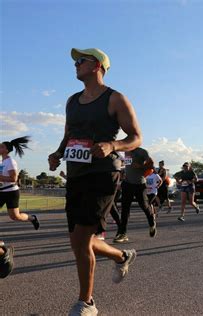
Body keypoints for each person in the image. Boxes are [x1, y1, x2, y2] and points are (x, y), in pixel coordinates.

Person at [48, 48, 139, 316]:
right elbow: (69, 135)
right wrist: (57, 154)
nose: (76, 65)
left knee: (80, 239)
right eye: (75, 61)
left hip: (103, 175)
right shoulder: (72, 101)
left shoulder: (115, 99)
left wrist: (113, 145)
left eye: (81, 61)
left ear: (97, 65)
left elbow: (136, 136)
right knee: (79, 241)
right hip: (76, 175)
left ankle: (86, 303)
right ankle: (122, 256)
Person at [0, 136, 39, 279]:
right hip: (2, 192)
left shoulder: (10, 161)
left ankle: (32, 218)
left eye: (1, 146)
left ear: (6, 149)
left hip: (11, 192)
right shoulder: (2, 161)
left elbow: (13, 179)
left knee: (14, 216)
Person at [114, 147, 157, 243]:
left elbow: (152, 165)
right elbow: (125, 162)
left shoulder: (142, 152)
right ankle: (122, 233)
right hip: (127, 183)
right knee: (125, 209)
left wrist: (140, 166)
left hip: (139, 184)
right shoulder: (126, 151)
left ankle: (152, 222)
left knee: (144, 206)